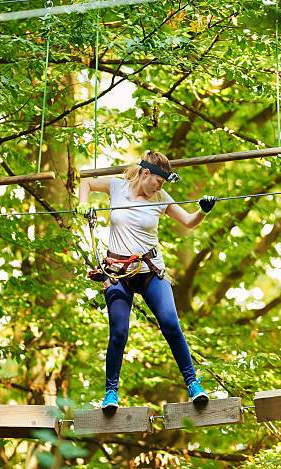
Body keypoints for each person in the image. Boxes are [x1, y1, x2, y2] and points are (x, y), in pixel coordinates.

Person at [77, 151, 217, 411]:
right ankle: (110, 393)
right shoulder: (116, 186)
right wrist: (84, 203)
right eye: (158, 182)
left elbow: (188, 222)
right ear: (145, 174)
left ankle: (193, 384)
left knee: (170, 323)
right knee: (118, 331)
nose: (159, 187)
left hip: (151, 271)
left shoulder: (160, 198)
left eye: (162, 185)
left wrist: (203, 210)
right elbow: (85, 181)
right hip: (118, 273)